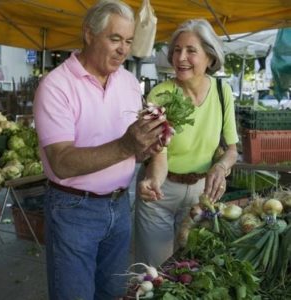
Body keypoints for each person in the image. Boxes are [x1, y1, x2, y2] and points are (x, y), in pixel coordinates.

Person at [33, 1, 166, 299]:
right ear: (89, 34)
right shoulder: (55, 86)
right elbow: (62, 163)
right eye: (115, 38)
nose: (123, 49)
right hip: (73, 210)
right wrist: (127, 145)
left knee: (113, 293)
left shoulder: (130, 83)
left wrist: (146, 147)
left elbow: (134, 151)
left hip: (120, 206)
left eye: (129, 41)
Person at [134, 19, 239, 268]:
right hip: (161, 191)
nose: (181, 57)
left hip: (201, 194)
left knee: (190, 268)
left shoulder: (223, 92)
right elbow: (160, 155)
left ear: (210, 58)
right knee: (154, 271)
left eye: (191, 51)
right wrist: (153, 183)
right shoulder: (160, 95)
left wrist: (220, 168)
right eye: (177, 50)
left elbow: (232, 150)